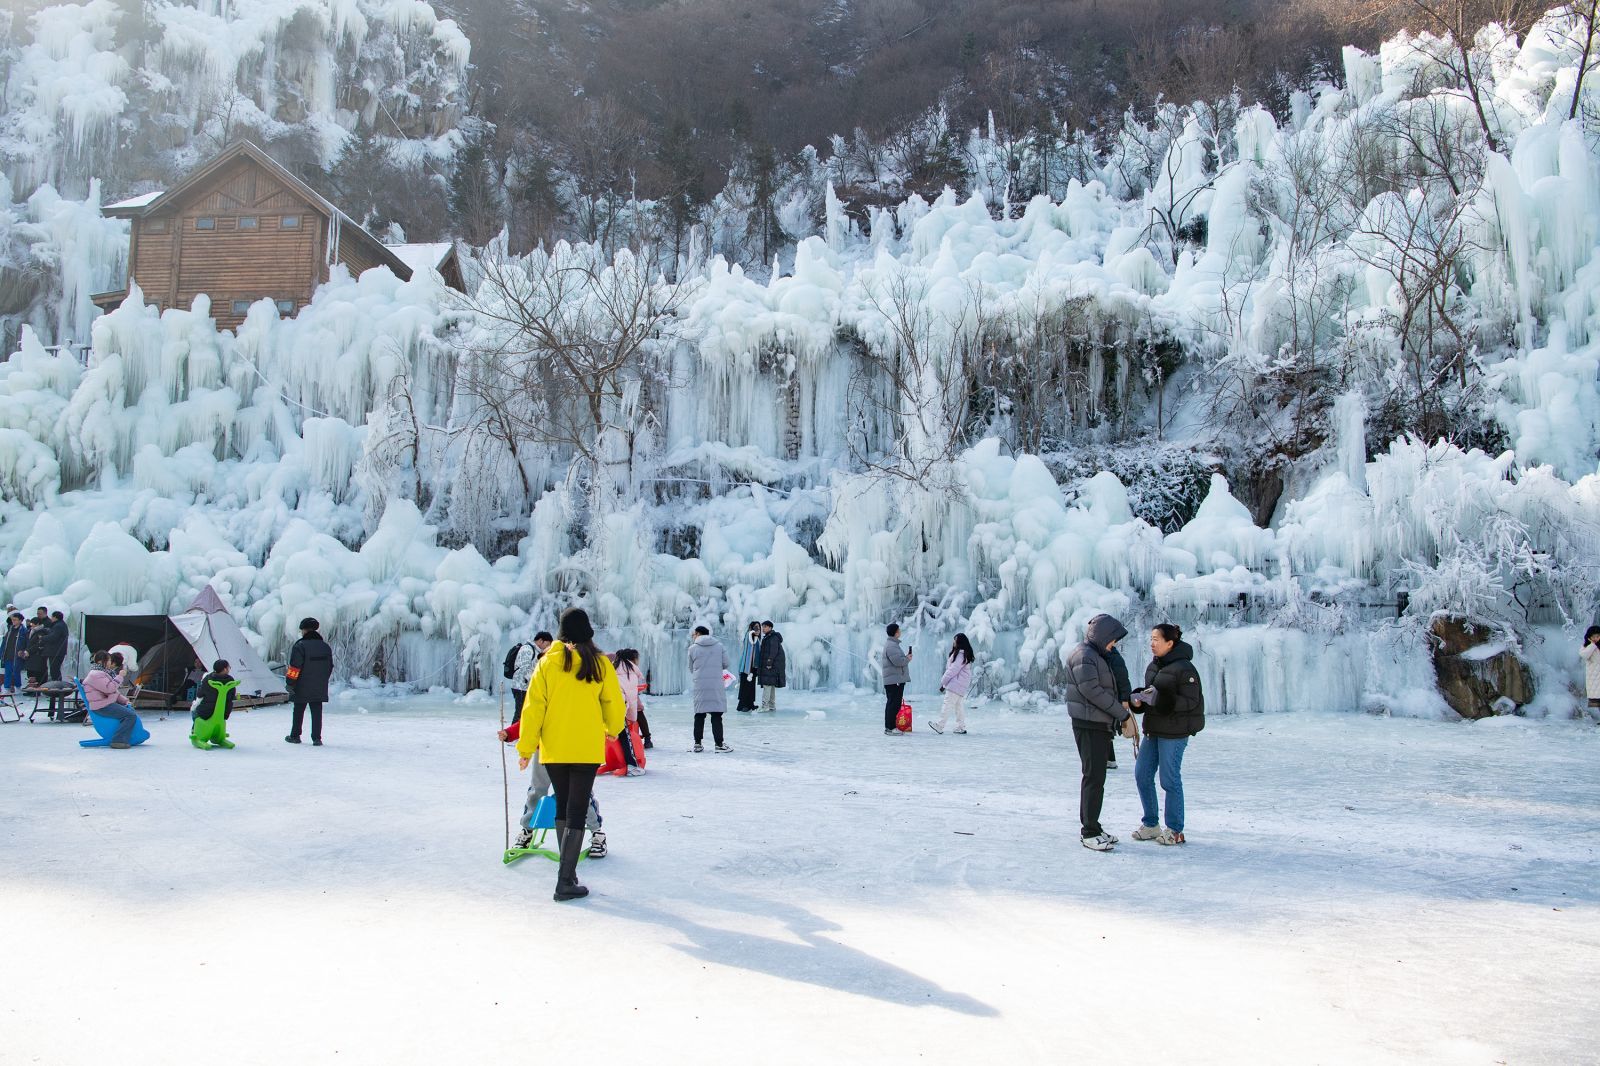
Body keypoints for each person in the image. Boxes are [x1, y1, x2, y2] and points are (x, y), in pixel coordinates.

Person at [516, 607, 626, 901]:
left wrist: (526, 748)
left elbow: (533, 707)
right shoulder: (600, 664)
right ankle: (565, 880)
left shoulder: (547, 663)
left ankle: (569, 875)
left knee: (563, 807)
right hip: (586, 748)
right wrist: (613, 728)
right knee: (577, 809)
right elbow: (614, 702)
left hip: (554, 749)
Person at [1065, 613, 1136, 852]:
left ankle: (1094, 825)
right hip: (1088, 724)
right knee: (1093, 778)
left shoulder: (1094, 655)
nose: (1113, 644)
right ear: (1103, 636)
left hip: (1096, 723)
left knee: (1097, 778)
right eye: (1112, 639)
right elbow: (1093, 691)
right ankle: (1089, 832)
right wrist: (1122, 713)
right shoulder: (1084, 656)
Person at [1129, 624, 1205, 845]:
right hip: (1153, 729)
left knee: (1169, 779)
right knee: (1142, 774)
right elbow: (1151, 697)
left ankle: (1175, 829)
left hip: (1175, 732)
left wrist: (1158, 699)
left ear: (1170, 643)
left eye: (1156, 640)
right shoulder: (1154, 666)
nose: (1152, 644)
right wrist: (1138, 700)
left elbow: (1191, 702)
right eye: (1150, 639)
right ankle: (1151, 824)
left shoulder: (1185, 669)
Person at [499, 717, 608, 857]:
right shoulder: (546, 695)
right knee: (537, 790)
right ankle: (527, 829)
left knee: (579, 792)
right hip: (546, 750)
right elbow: (532, 717)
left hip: (574, 749)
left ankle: (596, 832)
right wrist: (510, 733)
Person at [285, 617, 334, 745]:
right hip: (319, 684)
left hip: (301, 684)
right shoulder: (325, 647)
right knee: (317, 710)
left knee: (299, 709)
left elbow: (295, 667)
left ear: (305, 630)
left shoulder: (300, 646)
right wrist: (322, 679)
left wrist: (290, 683)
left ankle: (295, 736)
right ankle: (317, 738)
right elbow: (330, 666)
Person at [82, 650, 139, 748]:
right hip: (101, 706)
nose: (110, 663)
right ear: (100, 661)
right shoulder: (95, 675)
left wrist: (125, 701)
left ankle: (129, 736)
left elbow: (113, 693)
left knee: (129, 711)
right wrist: (120, 676)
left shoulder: (102, 673)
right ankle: (118, 740)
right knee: (130, 716)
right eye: (108, 660)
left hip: (104, 703)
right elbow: (110, 689)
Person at [688, 625, 732, 752]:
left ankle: (697, 744)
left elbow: (691, 668)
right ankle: (719, 744)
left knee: (699, 714)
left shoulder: (692, 648)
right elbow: (726, 664)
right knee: (717, 715)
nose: (693, 636)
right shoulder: (719, 646)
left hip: (700, 685)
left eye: (694, 634)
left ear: (698, 634)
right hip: (715, 684)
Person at [191, 659, 240, 750]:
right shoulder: (230, 680)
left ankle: (195, 732)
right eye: (229, 667)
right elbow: (231, 697)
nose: (229, 669)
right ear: (225, 669)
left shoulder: (209, 679)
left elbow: (199, 694)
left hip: (206, 712)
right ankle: (219, 737)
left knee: (194, 711)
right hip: (223, 713)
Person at [931, 633, 975, 734]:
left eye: (955, 640)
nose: (953, 642)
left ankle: (940, 725)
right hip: (960, 684)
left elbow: (953, 670)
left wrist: (943, 681)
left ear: (960, 642)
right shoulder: (963, 654)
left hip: (956, 684)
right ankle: (961, 726)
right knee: (958, 706)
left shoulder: (960, 655)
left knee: (947, 704)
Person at [612, 649, 646, 775]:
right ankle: (631, 766)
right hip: (619, 706)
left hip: (606, 706)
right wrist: (632, 716)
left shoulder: (613, 668)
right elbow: (631, 697)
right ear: (632, 659)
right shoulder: (630, 672)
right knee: (625, 737)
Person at [1103, 642, 1133, 770]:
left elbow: (1123, 679)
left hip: (1113, 699)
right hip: (1108, 698)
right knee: (1106, 728)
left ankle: (1109, 760)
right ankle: (1109, 759)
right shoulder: (1105, 655)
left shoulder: (1114, 657)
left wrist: (1125, 699)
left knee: (1107, 728)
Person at [507, 631, 553, 710]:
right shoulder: (527, 649)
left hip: (525, 686)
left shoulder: (535, 650)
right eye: (547, 644)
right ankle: (516, 723)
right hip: (521, 686)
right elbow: (525, 668)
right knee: (520, 713)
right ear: (541, 641)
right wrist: (536, 682)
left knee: (524, 712)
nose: (548, 647)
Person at [881, 623, 913, 735]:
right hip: (894, 680)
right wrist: (907, 659)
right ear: (895, 632)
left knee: (893, 703)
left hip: (894, 679)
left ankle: (889, 727)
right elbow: (898, 662)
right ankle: (890, 728)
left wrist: (905, 658)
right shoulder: (891, 646)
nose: (900, 632)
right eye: (899, 630)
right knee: (894, 704)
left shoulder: (892, 644)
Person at [757, 620, 785, 712]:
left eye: (765, 627)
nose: (763, 629)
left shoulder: (772, 638)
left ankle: (765, 706)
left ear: (770, 627)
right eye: (762, 627)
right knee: (770, 685)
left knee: (767, 685)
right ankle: (772, 706)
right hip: (773, 665)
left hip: (770, 665)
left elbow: (773, 651)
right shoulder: (770, 637)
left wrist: (769, 662)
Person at [735, 622, 761, 712]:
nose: (758, 630)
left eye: (759, 628)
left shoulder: (756, 638)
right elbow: (750, 640)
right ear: (752, 628)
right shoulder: (749, 636)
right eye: (756, 627)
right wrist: (753, 632)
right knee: (745, 686)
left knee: (751, 686)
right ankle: (742, 705)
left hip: (753, 666)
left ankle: (750, 704)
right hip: (746, 666)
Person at [1, 611, 24, 694]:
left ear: (20, 621)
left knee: (16, 672)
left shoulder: (23, 631)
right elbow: (4, 642)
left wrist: (23, 651)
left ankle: (18, 687)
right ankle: (6, 688)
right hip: (8, 654)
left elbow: (25, 643)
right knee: (8, 672)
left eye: (15, 620)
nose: (13, 621)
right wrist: (1, 653)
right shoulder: (10, 629)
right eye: (13, 620)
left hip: (17, 655)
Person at [44, 610, 69, 682]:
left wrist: (43, 638)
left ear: (55, 617)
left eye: (52, 617)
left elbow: (53, 637)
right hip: (58, 651)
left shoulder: (58, 626)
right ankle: (57, 685)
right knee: (55, 669)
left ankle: (57, 686)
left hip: (56, 651)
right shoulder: (62, 624)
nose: (51, 618)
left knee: (54, 670)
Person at [1581, 626, 1600, 723]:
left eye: (1598, 636)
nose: (1596, 639)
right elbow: (1584, 655)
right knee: (1598, 699)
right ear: (1589, 637)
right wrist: (1592, 645)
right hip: (1594, 677)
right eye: (1594, 637)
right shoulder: (1586, 646)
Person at [23, 618, 48, 688]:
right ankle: (31, 688)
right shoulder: (32, 631)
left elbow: (38, 644)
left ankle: (36, 689)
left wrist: (29, 651)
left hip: (37, 656)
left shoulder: (41, 632)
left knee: (36, 674)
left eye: (32, 624)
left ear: (37, 624)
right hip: (31, 656)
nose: (31, 625)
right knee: (30, 673)